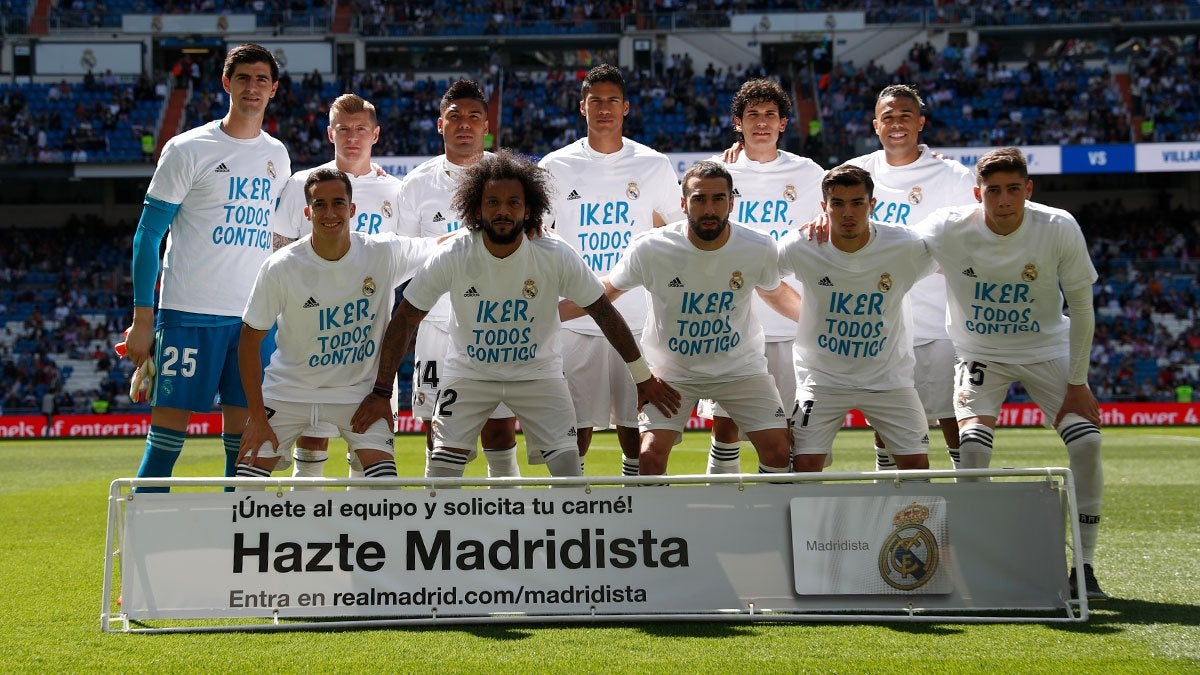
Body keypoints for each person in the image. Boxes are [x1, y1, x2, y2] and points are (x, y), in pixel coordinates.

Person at [351, 151, 680, 479]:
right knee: (440, 471)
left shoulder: (554, 253)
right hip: (469, 375)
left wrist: (643, 378)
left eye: (513, 202)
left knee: (568, 471)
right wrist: (381, 392)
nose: (503, 211)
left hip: (539, 376)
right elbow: (406, 318)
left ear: (529, 208)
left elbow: (604, 313)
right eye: (493, 202)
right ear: (476, 208)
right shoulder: (454, 253)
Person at [915, 147, 1107, 601]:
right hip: (980, 352)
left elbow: (1082, 308)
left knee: (1087, 442)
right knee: (972, 450)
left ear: (1029, 189)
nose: (1003, 200)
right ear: (977, 192)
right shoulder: (946, 226)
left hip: (1047, 350)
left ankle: (1083, 565)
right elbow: (890, 247)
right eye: (993, 191)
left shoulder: (1058, 226)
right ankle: (975, 564)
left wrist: (1077, 383)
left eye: (1013, 189)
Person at [124, 44, 290, 492]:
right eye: (244, 78)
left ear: (273, 89)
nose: (252, 87)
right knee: (166, 441)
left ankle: (231, 533)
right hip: (189, 313)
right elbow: (147, 236)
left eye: (261, 79)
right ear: (226, 83)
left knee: (242, 444)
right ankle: (144, 531)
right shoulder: (187, 148)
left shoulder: (278, 155)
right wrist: (143, 318)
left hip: (252, 319)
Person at [576, 161, 794, 476]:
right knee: (649, 458)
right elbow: (604, 293)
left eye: (718, 199)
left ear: (732, 202)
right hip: (671, 374)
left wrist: (814, 320)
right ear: (683, 203)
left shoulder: (758, 246)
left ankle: (760, 509)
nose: (709, 209)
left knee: (779, 451)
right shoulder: (651, 247)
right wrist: (550, 312)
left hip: (741, 370)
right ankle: (656, 511)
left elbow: (776, 293)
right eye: (699, 199)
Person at [237, 168, 436, 483]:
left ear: (352, 209)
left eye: (338, 203)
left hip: (357, 394)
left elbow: (441, 244)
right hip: (289, 392)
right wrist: (258, 418)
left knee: (385, 488)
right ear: (307, 212)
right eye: (320, 204)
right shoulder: (281, 267)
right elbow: (248, 343)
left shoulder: (382, 253)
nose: (330, 213)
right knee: (246, 486)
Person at [539, 64, 683, 476]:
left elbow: (678, 233)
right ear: (582, 107)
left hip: (636, 317)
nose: (604, 108)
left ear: (626, 108)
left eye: (612, 101)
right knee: (574, 430)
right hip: (573, 318)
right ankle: (571, 504)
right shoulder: (555, 165)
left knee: (635, 427)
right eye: (596, 101)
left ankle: (635, 505)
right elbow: (537, 235)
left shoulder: (653, 164)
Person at [272, 93, 414, 483]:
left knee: (367, 437)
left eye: (361, 129)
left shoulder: (395, 191)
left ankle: (359, 521)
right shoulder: (302, 183)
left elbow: (403, 257)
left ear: (375, 134)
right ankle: (306, 515)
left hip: (370, 337)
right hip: (312, 332)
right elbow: (279, 251)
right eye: (344, 129)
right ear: (329, 133)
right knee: (312, 439)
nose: (352, 137)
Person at [844, 84, 976, 473]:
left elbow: (971, 247)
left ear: (921, 122)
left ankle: (968, 490)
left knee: (953, 417)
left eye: (905, 116)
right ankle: (890, 494)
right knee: (886, 422)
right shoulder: (856, 172)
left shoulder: (951, 175)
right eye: (888, 117)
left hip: (938, 322)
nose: (896, 124)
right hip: (878, 324)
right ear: (875, 125)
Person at [699, 77, 825, 474]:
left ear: (783, 123)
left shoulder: (808, 173)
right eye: (752, 114)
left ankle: (782, 503)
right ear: (738, 123)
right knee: (726, 427)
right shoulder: (718, 171)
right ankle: (723, 503)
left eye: (771, 114)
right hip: (729, 323)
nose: (762, 122)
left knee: (787, 430)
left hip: (788, 324)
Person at [396, 80, 521, 479]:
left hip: (497, 323)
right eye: (455, 117)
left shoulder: (510, 176)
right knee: (438, 429)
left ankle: (509, 511)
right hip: (437, 325)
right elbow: (404, 257)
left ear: (486, 125)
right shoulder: (417, 183)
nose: (464, 124)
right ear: (440, 124)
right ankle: (440, 511)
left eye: (473, 117)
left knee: (499, 429)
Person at [779, 164, 936, 473]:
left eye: (857, 203)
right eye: (837, 203)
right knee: (805, 465)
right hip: (822, 379)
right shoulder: (801, 245)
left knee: (916, 465)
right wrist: (803, 314)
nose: (847, 212)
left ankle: (895, 506)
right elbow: (763, 277)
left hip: (889, 378)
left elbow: (954, 259)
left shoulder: (905, 245)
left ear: (872, 204)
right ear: (824, 206)